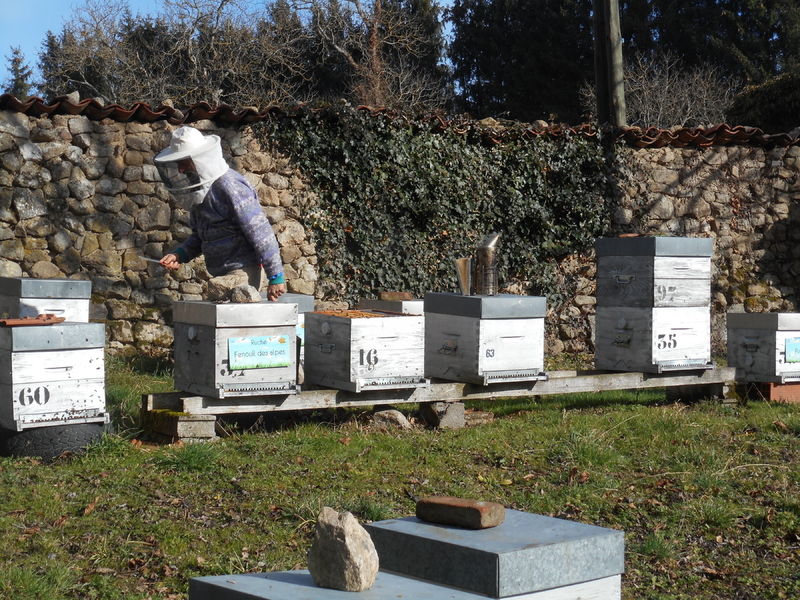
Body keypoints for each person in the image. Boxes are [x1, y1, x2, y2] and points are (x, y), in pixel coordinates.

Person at [154, 126, 286, 301]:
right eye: (178, 163)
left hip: (244, 270)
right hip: (222, 272)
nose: (180, 170)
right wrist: (179, 254)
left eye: (183, 162)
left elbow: (260, 232)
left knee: (216, 296)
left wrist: (276, 276)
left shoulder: (229, 185)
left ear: (198, 159)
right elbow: (202, 235)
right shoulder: (200, 192)